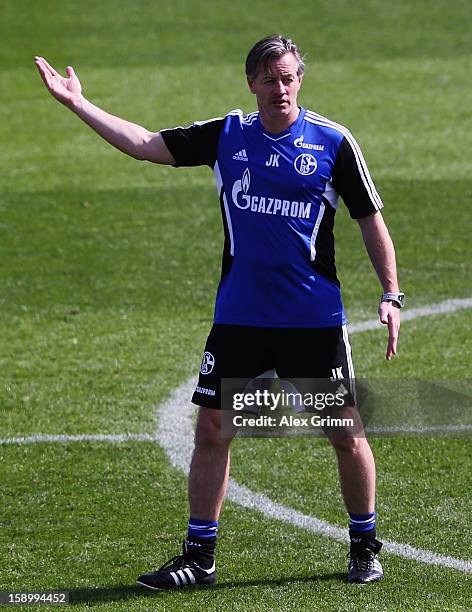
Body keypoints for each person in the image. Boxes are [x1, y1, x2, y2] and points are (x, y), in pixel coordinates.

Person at [35, 34, 403, 588]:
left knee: (343, 432)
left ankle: (364, 543)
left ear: (300, 79)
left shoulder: (332, 142)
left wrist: (390, 294)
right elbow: (144, 143)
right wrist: (78, 103)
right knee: (212, 428)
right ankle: (199, 556)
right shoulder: (228, 135)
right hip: (240, 318)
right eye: (269, 79)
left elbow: (369, 218)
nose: (280, 88)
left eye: (289, 78)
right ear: (251, 81)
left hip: (312, 321)